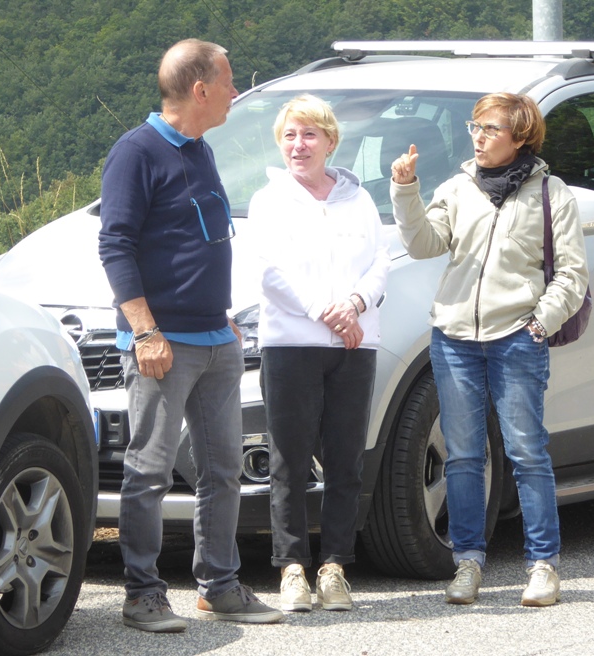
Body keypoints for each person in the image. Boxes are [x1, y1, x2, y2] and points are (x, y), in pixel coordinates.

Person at [99, 38, 284, 632]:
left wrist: (219, 315)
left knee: (223, 470)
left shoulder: (200, 149)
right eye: (228, 82)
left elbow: (196, 241)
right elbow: (116, 245)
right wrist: (144, 331)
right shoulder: (136, 152)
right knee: (149, 472)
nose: (235, 92)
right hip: (163, 345)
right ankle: (143, 595)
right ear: (200, 90)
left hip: (215, 338)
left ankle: (220, 587)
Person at [389, 92, 588, 607]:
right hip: (454, 338)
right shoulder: (457, 187)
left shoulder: (552, 193)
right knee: (463, 456)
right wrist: (405, 190)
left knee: (527, 452)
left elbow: (572, 274)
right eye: (474, 127)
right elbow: (424, 244)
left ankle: (542, 566)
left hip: (518, 338)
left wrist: (539, 323)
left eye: (490, 129)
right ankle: (468, 563)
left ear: (520, 137)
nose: (478, 137)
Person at [249, 94, 389, 612]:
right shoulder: (269, 200)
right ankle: (291, 569)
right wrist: (321, 310)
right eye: (289, 135)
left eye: (309, 135)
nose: (298, 145)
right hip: (291, 343)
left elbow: (380, 262)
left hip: (354, 342)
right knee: (288, 461)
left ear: (330, 141)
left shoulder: (361, 200)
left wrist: (354, 305)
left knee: (345, 459)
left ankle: (334, 569)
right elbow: (267, 270)